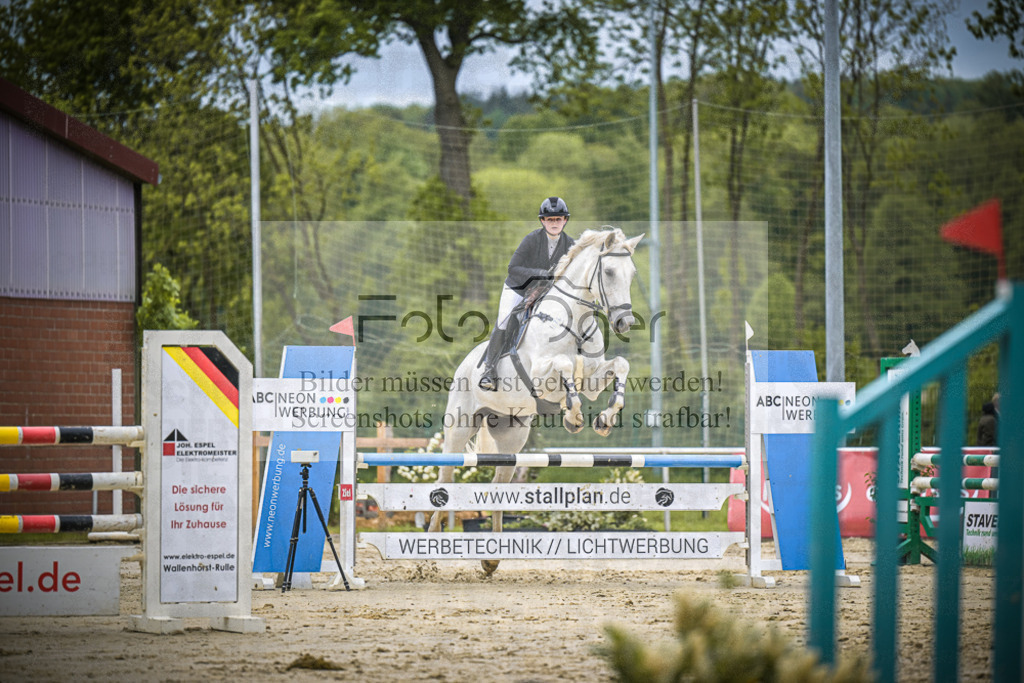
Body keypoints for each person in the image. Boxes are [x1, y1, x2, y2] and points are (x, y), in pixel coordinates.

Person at [478, 196, 575, 391]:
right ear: (542, 221)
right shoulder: (532, 239)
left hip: (547, 292)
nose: (554, 223)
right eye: (550, 219)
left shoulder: (570, 244)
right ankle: (489, 371)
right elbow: (512, 268)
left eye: (558, 219)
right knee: (505, 319)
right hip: (518, 289)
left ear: (565, 220)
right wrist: (539, 274)